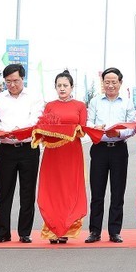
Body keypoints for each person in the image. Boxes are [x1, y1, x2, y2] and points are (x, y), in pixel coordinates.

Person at [0, 64, 45, 244]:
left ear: (23, 79)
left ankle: (25, 232)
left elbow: (36, 119)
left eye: (16, 81)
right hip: (6, 149)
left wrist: (18, 131)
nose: (12, 85)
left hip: (28, 149)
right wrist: (7, 131)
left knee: (27, 192)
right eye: (8, 81)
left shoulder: (34, 97)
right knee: (5, 192)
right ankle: (3, 232)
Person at [85, 67, 136, 244]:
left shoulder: (127, 102)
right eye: (107, 82)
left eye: (114, 82)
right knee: (97, 192)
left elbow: (132, 126)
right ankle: (94, 231)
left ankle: (115, 231)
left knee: (117, 191)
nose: (111, 85)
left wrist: (119, 134)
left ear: (120, 83)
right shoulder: (95, 101)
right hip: (99, 148)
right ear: (103, 83)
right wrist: (95, 128)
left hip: (119, 149)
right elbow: (88, 122)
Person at [37, 70, 88, 244]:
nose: (62, 88)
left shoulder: (80, 105)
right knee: (53, 189)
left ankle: (67, 228)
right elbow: (43, 126)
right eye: (59, 85)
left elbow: (82, 129)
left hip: (72, 152)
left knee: (69, 188)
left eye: (65, 85)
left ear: (72, 87)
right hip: (52, 152)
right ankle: (52, 229)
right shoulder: (50, 105)